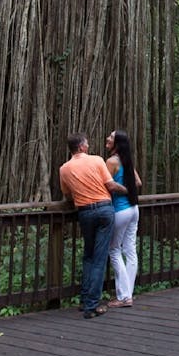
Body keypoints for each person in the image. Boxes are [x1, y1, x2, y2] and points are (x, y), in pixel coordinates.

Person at [58, 131, 126, 318]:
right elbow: (111, 185)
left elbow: (67, 194)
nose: (88, 146)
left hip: (85, 212)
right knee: (99, 258)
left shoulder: (64, 169)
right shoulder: (97, 160)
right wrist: (128, 191)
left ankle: (85, 299)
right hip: (104, 210)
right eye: (86, 144)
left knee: (88, 256)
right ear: (81, 147)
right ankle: (91, 306)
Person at [104, 129, 142, 308]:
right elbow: (138, 183)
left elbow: (105, 184)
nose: (107, 139)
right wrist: (129, 189)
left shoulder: (111, 162)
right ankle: (128, 294)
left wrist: (120, 190)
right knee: (130, 251)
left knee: (114, 250)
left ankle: (124, 297)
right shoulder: (127, 161)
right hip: (134, 209)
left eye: (111, 137)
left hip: (120, 210)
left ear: (117, 143)